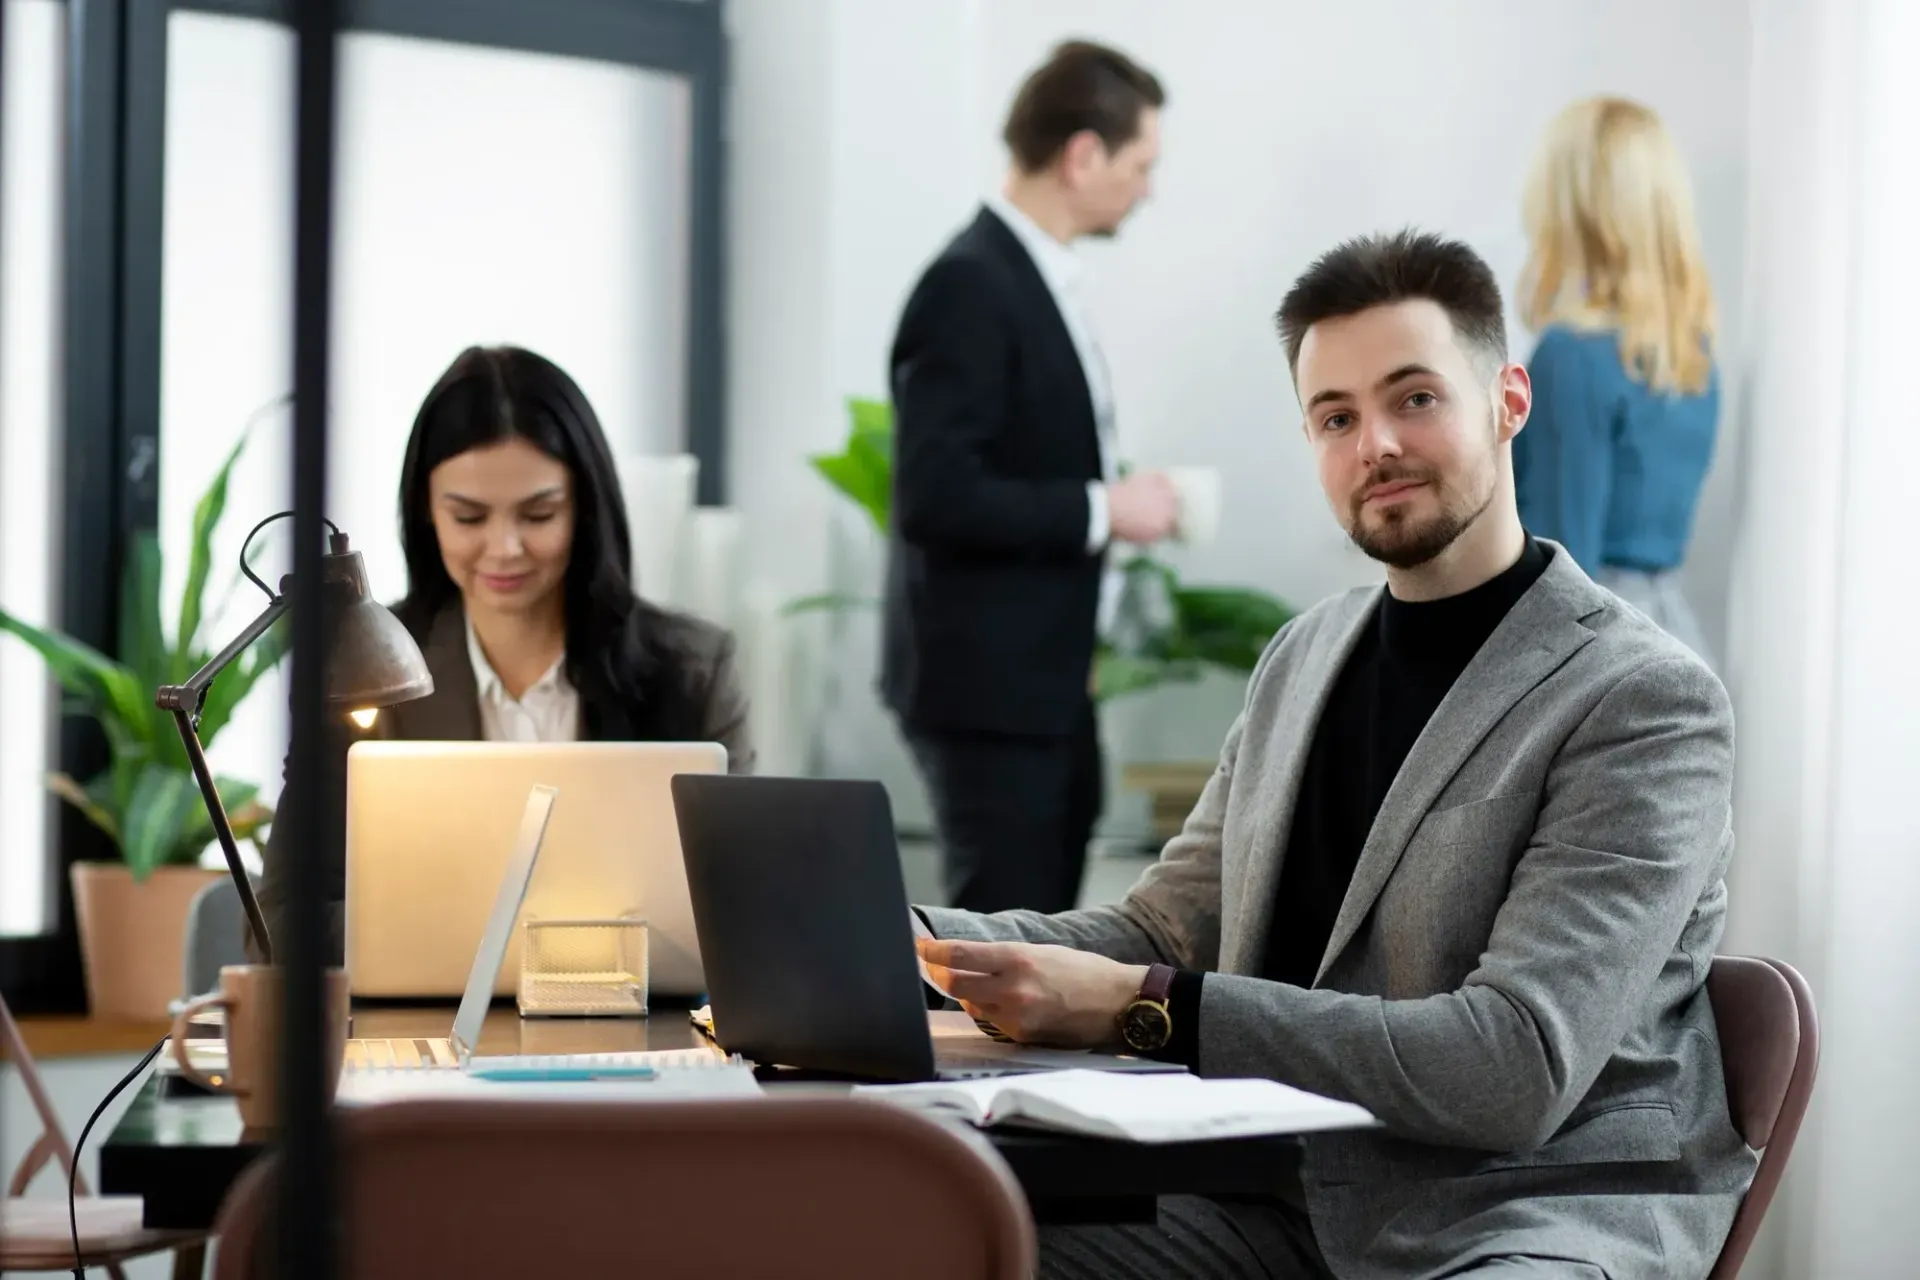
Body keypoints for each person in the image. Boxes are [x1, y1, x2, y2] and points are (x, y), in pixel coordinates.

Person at [913, 231, 1753, 1279]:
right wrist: (906, 937)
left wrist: (1154, 1006)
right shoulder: (1302, 658)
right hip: (1288, 1202)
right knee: (928, 1236)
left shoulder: (1643, 700)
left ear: (1509, 401)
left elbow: (1512, 1064)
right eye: (1337, 417)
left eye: (1415, 399)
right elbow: (1159, 925)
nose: (1377, 446)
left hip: (1528, 1216)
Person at [247, 345, 753, 962]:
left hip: (640, 1039)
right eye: (469, 517)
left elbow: (744, 908)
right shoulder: (354, 670)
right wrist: (486, 939)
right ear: (427, 513)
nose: (504, 548)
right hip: (421, 1041)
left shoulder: (693, 670)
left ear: (585, 509)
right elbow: (275, 924)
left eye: (539, 514)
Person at [881, 39, 1184, 917]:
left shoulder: (1029, 277)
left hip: (1039, 687)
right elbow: (935, 495)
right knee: (1002, 949)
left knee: (1045, 937)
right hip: (990, 696)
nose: (1148, 188)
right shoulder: (971, 284)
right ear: (1082, 155)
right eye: (1141, 164)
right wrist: (1106, 509)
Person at [1514, 95, 1721, 665]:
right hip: (1674, 637)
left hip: (1593, 652)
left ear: (1569, 210)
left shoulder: (1570, 357)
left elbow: (1564, 567)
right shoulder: (1690, 357)